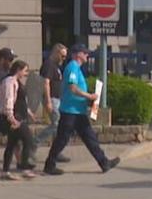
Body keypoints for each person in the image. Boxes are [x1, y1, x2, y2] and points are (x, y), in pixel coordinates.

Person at [42, 44, 121, 175]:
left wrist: (88, 100)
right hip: (70, 111)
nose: (87, 55)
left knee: (90, 138)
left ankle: (104, 162)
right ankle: (49, 165)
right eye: (85, 53)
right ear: (77, 54)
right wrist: (89, 96)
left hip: (78, 111)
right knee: (62, 139)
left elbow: (76, 88)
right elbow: (72, 88)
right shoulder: (73, 67)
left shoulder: (76, 68)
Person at [0, 59, 37, 180]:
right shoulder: (10, 82)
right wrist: (11, 118)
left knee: (12, 143)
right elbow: (8, 99)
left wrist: (29, 112)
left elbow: (22, 100)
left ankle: (5, 171)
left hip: (20, 116)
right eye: (25, 71)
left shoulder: (17, 82)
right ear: (18, 70)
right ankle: (25, 168)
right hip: (14, 117)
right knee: (28, 139)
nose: (26, 74)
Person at [36, 43, 71, 164]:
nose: (64, 58)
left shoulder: (55, 66)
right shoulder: (49, 65)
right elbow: (45, 83)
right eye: (62, 55)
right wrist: (48, 101)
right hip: (52, 99)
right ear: (56, 53)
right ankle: (34, 143)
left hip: (57, 99)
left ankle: (56, 151)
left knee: (58, 127)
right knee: (56, 125)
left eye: (65, 56)